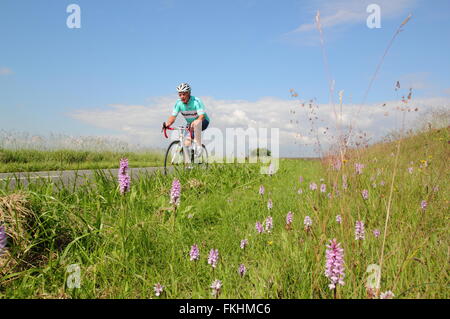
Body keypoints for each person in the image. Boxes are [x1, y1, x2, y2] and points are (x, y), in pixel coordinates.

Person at [164, 82, 210, 157]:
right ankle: (188, 165)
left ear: (189, 93)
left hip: (203, 121)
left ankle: (199, 147)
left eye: (184, 94)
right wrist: (167, 124)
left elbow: (202, 116)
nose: (182, 96)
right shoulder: (178, 103)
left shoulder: (196, 101)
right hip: (190, 123)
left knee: (196, 124)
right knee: (186, 143)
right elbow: (173, 117)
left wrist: (196, 121)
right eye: (180, 95)